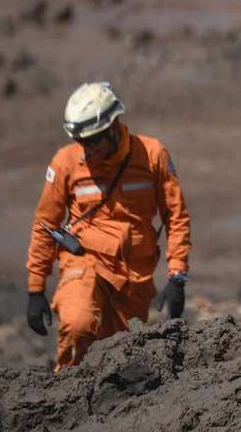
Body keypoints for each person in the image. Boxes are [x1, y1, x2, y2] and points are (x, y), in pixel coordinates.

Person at [25, 82, 192, 369]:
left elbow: (176, 216)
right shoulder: (66, 162)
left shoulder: (152, 155)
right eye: (82, 142)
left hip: (134, 274)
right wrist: (35, 288)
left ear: (114, 126)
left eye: (94, 141)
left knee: (124, 357)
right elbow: (46, 223)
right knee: (78, 325)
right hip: (85, 260)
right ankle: (65, 394)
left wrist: (177, 277)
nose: (88, 149)